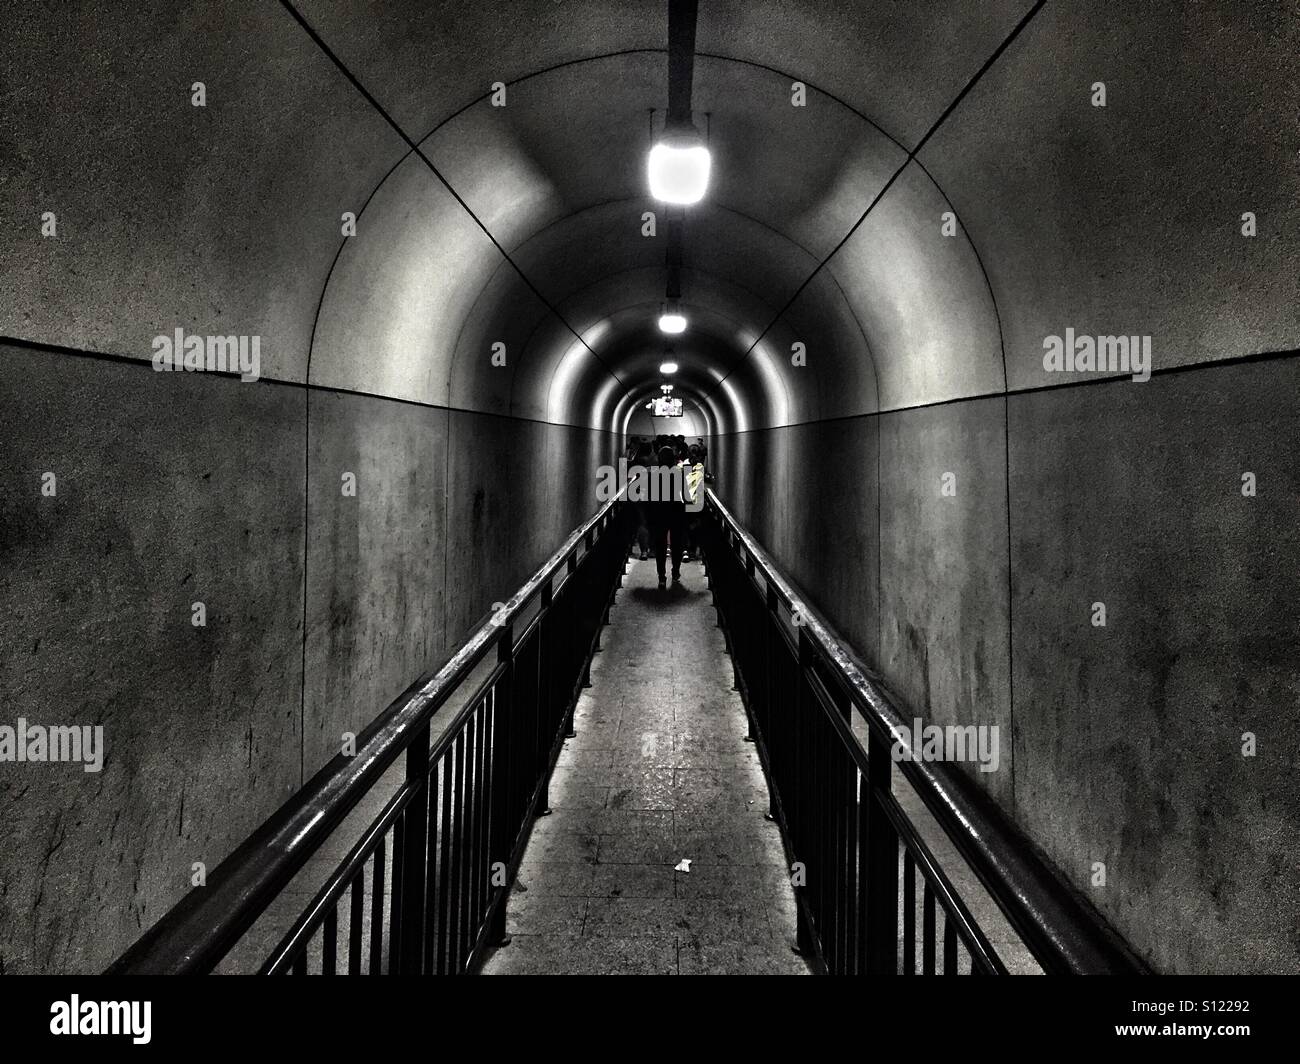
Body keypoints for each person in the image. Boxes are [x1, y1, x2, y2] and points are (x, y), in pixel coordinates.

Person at [646, 445, 687, 588]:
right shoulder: (679, 474)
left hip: (659, 512)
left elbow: (648, 497)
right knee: (677, 544)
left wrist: (648, 516)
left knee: (660, 545)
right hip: (676, 511)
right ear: (673, 459)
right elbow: (686, 496)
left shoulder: (653, 475)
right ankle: (675, 571)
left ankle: (661, 576)